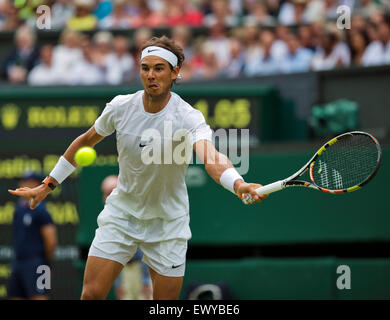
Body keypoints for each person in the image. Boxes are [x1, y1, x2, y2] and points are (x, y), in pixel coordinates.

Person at [8, 35, 267, 300]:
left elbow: (211, 157)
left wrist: (237, 183)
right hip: (122, 215)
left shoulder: (188, 116)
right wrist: (47, 185)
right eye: (145, 68)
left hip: (168, 223)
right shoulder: (121, 107)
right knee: (91, 295)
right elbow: (85, 141)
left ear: (175, 72)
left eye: (159, 68)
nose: (151, 75)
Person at [7, 172, 57, 300]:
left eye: (26, 182)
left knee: (39, 296)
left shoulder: (41, 211)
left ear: (35, 185)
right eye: (21, 181)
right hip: (18, 263)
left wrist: (43, 262)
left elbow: (51, 241)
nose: (21, 185)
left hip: (38, 263)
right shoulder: (18, 210)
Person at [101, 175, 152, 300]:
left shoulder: (137, 213)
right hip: (125, 272)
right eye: (107, 193)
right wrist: (118, 282)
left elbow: (146, 248)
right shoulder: (107, 218)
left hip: (143, 270)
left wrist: (146, 281)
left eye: (114, 191)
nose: (111, 196)